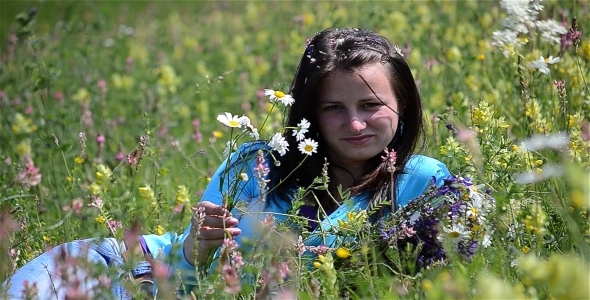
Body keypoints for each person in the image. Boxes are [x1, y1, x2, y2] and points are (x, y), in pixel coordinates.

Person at [3, 27, 450, 299]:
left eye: (371, 105)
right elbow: (189, 271)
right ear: (310, 114)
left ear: (404, 105)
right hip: (124, 270)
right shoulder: (258, 162)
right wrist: (195, 246)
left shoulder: (424, 182)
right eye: (333, 107)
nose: (354, 123)